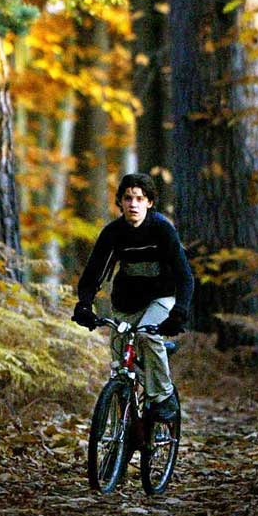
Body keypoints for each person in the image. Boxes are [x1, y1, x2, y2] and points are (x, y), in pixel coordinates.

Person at [72, 172, 193, 420]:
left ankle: (162, 397)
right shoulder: (113, 233)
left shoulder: (162, 230)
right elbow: (92, 273)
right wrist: (84, 305)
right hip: (126, 301)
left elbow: (185, 276)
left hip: (162, 297)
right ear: (120, 202)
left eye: (139, 198)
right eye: (128, 198)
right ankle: (122, 425)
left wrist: (179, 311)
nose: (133, 204)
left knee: (147, 335)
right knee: (120, 366)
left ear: (149, 202)